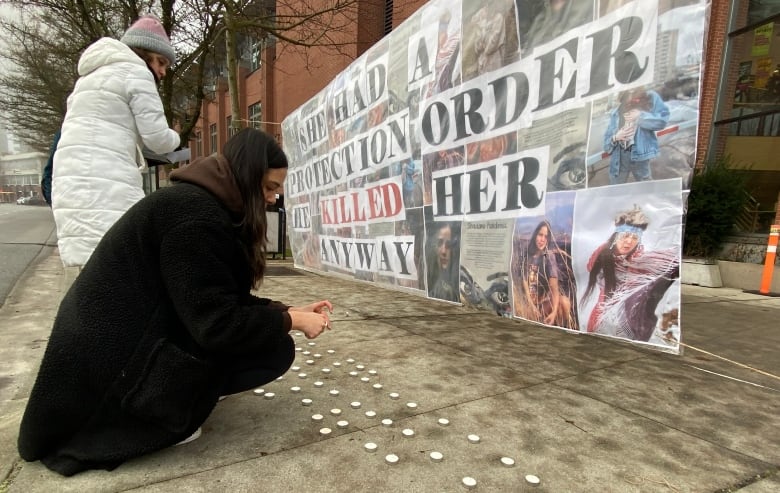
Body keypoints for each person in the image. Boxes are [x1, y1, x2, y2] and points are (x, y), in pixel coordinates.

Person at [18, 129, 334, 477]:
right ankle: (167, 414)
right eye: (270, 187)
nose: (275, 199)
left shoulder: (202, 205)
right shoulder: (195, 219)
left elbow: (221, 300)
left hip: (125, 345)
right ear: (245, 178)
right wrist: (291, 323)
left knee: (270, 338)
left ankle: (189, 395)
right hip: (109, 375)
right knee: (275, 349)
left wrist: (286, 311)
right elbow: (217, 325)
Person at [51, 15, 181, 268]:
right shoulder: (135, 72)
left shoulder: (88, 79)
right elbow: (157, 139)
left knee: (88, 265)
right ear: (145, 54)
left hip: (70, 181)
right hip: (107, 181)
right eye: (161, 62)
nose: (163, 72)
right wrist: (175, 138)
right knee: (122, 262)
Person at [580, 205, 679, 342]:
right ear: (616, 236)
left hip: (632, 323)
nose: (628, 241)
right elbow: (590, 266)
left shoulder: (641, 261)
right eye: (625, 235)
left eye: (634, 237)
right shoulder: (602, 255)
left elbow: (669, 265)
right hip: (601, 318)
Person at [603, 88, 670, 185]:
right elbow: (606, 145)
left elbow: (662, 121)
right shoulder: (615, 111)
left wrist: (640, 116)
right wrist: (616, 137)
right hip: (619, 157)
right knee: (616, 191)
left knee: (647, 189)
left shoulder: (649, 96)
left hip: (640, 156)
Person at [513, 220, 573, 327]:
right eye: (540, 235)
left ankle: (559, 328)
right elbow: (525, 284)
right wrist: (531, 306)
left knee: (564, 302)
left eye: (546, 237)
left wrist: (554, 313)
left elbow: (554, 288)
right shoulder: (527, 255)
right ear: (535, 234)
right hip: (528, 306)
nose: (542, 239)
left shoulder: (548, 257)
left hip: (542, 305)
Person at [427, 221, 460, 302]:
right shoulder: (432, 277)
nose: (443, 251)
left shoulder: (459, 283)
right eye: (439, 243)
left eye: (449, 244)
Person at [40, 128, 61, 206]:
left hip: (65, 209)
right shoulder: (64, 133)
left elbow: (48, 173)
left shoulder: (64, 132)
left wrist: (54, 204)